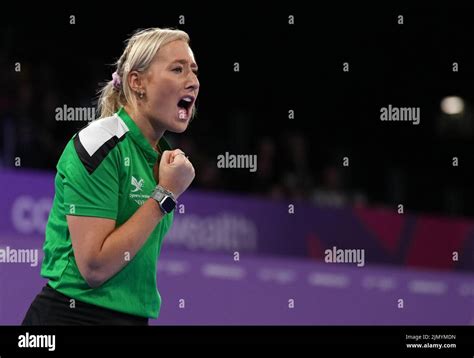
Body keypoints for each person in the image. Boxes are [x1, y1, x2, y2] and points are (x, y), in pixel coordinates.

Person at [22, 27, 199, 325]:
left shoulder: (161, 160)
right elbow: (95, 268)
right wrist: (165, 195)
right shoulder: (99, 144)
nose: (192, 81)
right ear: (137, 82)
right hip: (72, 316)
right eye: (177, 69)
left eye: (193, 70)